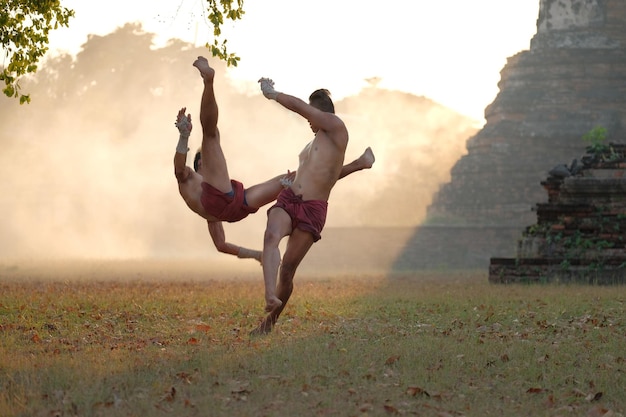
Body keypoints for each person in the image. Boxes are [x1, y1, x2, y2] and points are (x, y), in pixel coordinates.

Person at [174, 56, 375, 263]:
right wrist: (183, 137)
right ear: (198, 165)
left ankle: (359, 164)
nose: (208, 165)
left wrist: (258, 255)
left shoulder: (210, 202)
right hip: (230, 204)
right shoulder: (189, 178)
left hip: (237, 202)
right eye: (203, 163)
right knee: (210, 134)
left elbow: (220, 243)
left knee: (303, 176)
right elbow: (220, 244)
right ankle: (209, 81)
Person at [251, 77, 354, 335]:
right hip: (290, 199)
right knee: (270, 235)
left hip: (312, 209)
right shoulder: (313, 143)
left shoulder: (337, 128)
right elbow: (314, 173)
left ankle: (269, 323)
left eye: (312, 113)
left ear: (320, 113)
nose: (308, 120)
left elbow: (298, 107)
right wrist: (291, 180)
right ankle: (269, 295)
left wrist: (272, 94)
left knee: (287, 271)